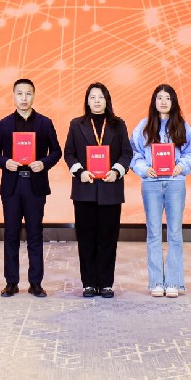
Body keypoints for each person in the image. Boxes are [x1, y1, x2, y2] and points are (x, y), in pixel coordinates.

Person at [0, 78, 62, 298]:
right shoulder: (4, 123)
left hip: (35, 185)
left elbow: (56, 151)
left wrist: (44, 163)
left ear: (34, 96)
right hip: (11, 186)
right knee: (11, 234)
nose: (24, 98)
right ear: (13, 96)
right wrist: (5, 162)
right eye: (19, 94)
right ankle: (11, 282)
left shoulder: (45, 123)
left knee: (35, 234)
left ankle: (35, 283)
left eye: (28, 94)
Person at [63, 83, 132, 298]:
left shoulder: (118, 124)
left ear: (107, 100)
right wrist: (80, 172)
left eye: (100, 97)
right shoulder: (76, 124)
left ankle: (106, 283)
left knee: (108, 239)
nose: (96, 101)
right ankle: (89, 283)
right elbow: (69, 153)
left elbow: (126, 153)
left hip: (110, 189)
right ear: (87, 100)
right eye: (92, 97)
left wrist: (117, 171)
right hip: (85, 189)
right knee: (86, 239)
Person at [130, 84, 191, 298]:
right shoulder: (143, 126)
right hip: (151, 184)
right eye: (159, 97)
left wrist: (182, 166)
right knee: (153, 232)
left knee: (175, 233)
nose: (163, 102)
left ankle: (173, 282)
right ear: (154, 101)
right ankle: (156, 282)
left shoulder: (182, 126)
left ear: (173, 102)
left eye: (167, 98)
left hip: (175, 183)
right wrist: (144, 169)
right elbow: (134, 154)